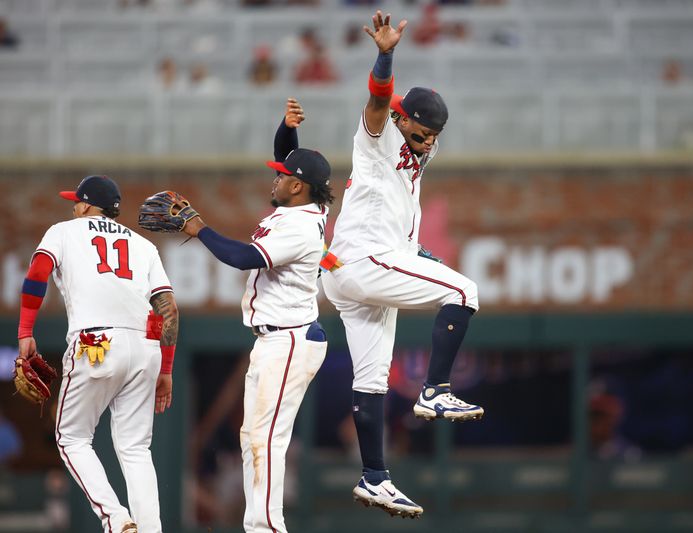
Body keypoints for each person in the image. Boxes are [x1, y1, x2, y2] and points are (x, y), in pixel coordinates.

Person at [320, 10, 483, 518]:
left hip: (358, 274)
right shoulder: (379, 137)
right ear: (402, 118)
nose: (428, 138)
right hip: (364, 261)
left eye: (436, 133)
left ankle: (374, 476)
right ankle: (435, 390)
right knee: (464, 293)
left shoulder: (410, 170)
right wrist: (386, 53)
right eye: (422, 128)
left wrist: (422, 254)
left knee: (370, 379)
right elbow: (376, 97)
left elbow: (402, 234)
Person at [173, 98, 334, 533]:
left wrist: (199, 228)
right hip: (274, 339)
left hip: (290, 340)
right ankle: (259, 526)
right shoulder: (301, 206)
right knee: (252, 438)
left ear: (298, 187)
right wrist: (287, 129)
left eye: (282, 176)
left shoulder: (299, 226)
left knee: (265, 439)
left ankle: (267, 529)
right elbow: (287, 158)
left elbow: (245, 258)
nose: (275, 178)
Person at [17, 175, 178, 533]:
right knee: (136, 448)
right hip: (146, 346)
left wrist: (25, 331)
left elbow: (37, 273)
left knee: (71, 437)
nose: (74, 206)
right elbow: (168, 310)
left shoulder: (64, 231)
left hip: (96, 343)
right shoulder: (144, 245)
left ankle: (116, 519)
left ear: (87, 205)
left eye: (77, 201)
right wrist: (165, 368)